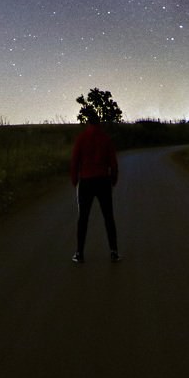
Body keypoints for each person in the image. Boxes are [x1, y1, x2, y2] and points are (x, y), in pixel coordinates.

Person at [70, 107, 120, 263]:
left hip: (86, 181)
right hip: (103, 181)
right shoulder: (105, 139)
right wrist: (112, 180)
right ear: (99, 122)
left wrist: (75, 180)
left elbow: (74, 161)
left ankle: (79, 253)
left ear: (88, 122)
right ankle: (113, 251)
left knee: (83, 218)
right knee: (108, 217)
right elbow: (113, 163)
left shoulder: (81, 138)